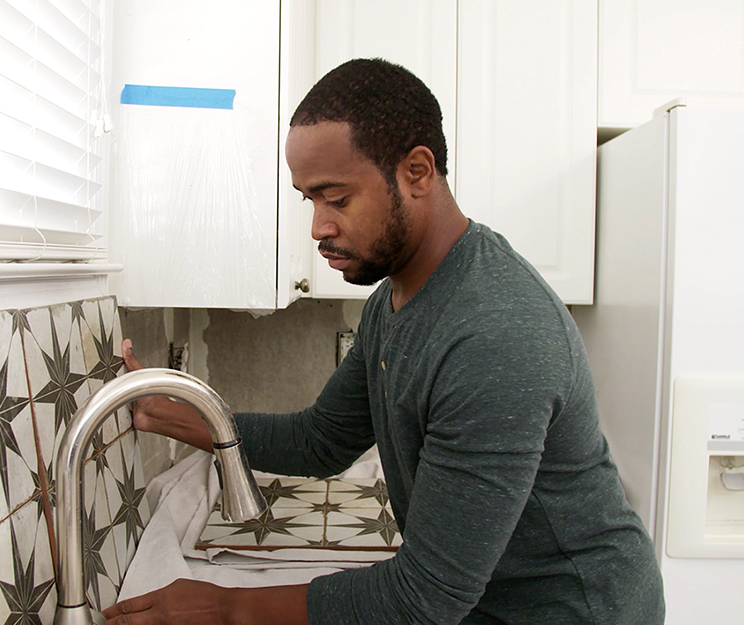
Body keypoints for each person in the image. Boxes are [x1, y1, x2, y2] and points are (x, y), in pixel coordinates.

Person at [102, 58, 665, 625]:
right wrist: (171, 411)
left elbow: (425, 598)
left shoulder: (493, 335)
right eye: (310, 201)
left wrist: (224, 610)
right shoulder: (391, 302)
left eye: (337, 199)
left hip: (579, 609)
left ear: (417, 172)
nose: (318, 227)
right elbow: (320, 440)